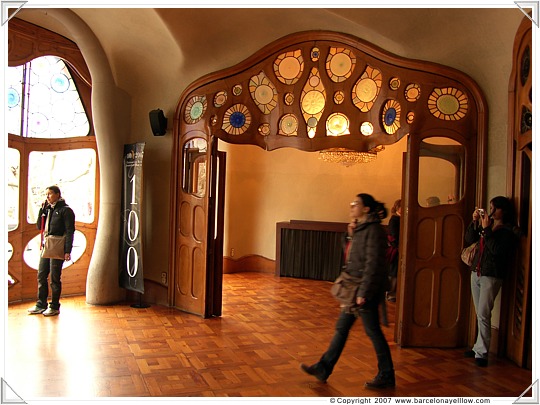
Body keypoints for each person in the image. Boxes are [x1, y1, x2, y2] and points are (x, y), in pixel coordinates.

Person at [300, 193, 395, 389]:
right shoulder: (360, 228)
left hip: (363, 291)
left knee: (373, 332)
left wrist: (364, 292)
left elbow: (373, 264)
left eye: (355, 204)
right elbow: (350, 256)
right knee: (342, 329)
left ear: (366, 208)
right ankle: (324, 368)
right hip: (354, 289)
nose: (351, 206)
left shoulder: (374, 230)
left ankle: (386, 375)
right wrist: (350, 234)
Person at [463, 196, 517, 367]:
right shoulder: (489, 226)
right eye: (490, 207)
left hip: (492, 274)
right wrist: (474, 222)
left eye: (495, 208)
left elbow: (497, 251)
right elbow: (469, 239)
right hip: (477, 272)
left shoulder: (508, 231)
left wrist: (487, 231)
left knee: (484, 313)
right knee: (479, 313)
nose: (491, 211)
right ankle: (478, 346)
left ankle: (482, 353)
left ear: (504, 211)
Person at [28, 186, 75, 317]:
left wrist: (67, 250)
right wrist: (41, 210)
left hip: (58, 245)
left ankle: (54, 306)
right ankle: (40, 304)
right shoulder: (47, 209)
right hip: (47, 245)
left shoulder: (66, 211)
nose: (47, 196)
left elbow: (70, 231)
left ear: (58, 194)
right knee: (41, 274)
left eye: (49, 194)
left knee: (55, 278)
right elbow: (39, 226)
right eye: (46, 194)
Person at [386, 199, 401, 302]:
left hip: (399, 248)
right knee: (394, 272)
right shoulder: (394, 220)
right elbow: (393, 235)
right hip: (396, 249)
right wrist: (398, 246)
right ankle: (391, 294)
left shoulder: (401, 219)